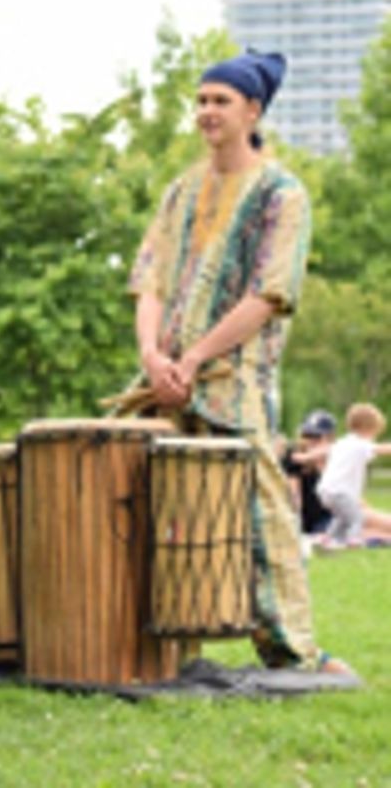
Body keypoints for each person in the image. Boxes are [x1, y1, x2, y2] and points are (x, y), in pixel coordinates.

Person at [126, 49, 349, 674]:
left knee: (260, 515)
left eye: (220, 100)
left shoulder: (284, 194)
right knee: (150, 509)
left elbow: (269, 295)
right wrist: (152, 356)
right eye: (200, 100)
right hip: (163, 384)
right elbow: (150, 281)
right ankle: (158, 645)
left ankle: (291, 652)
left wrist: (193, 357)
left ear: (253, 110)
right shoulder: (180, 192)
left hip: (234, 383)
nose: (206, 112)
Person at [315, 403, 391, 549]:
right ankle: (353, 539)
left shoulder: (343, 442)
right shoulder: (360, 444)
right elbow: (383, 449)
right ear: (368, 429)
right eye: (375, 433)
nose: (374, 437)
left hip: (325, 490)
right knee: (357, 517)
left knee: (342, 518)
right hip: (340, 492)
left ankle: (327, 539)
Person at [282, 409, 336, 536]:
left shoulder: (335, 458)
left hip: (334, 516)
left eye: (316, 436)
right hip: (313, 522)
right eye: (306, 435)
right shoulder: (295, 458)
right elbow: (295, 497)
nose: (310, 440)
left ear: (330, 437)